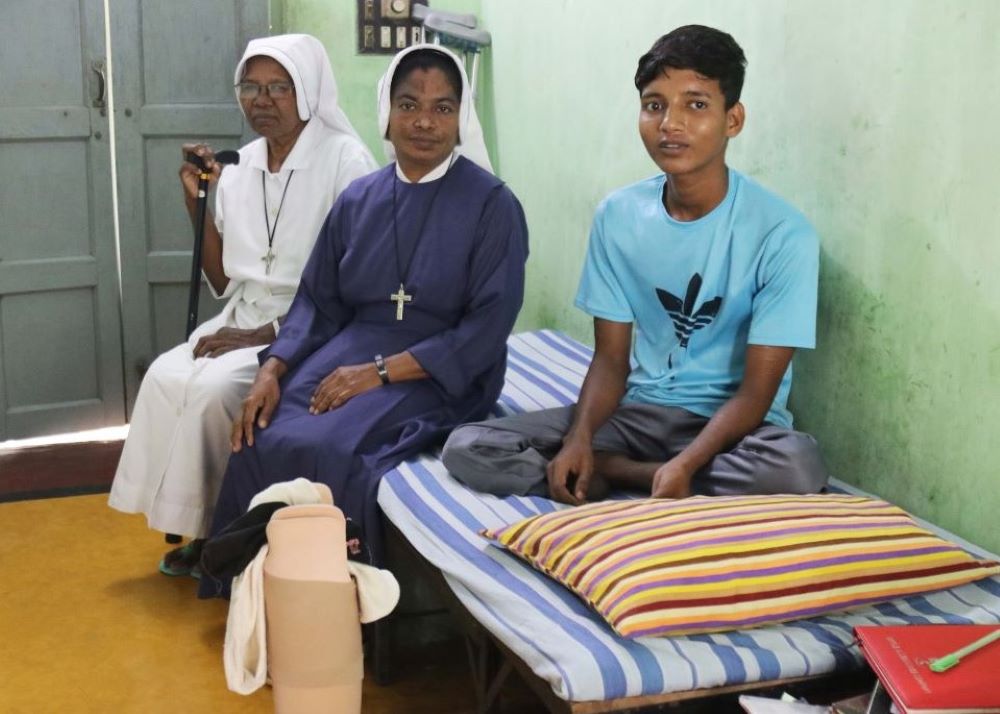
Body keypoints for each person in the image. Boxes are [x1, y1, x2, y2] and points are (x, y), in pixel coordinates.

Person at [442, 25, 829, 504]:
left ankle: (618, 474)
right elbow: (610, 361)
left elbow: (756, 394)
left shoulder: (782, 234)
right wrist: (580, 437)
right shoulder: (618, 216)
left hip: (734, 428)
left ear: (734, 119)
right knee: (470, 446)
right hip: (640, 416)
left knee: (797, 467)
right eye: (654, 104)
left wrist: (687, 462)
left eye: (696, 104)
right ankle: (635, 472)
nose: (670, 122)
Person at [198, 44, 528, 598]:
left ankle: (334, 597)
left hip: (439, 366)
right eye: (408, 104)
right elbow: (318, 303)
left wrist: (378, 372)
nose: (424, 121)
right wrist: (271, 371)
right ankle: (255, 583)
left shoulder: (493, 205)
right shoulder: (359, 199)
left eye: (443, 108)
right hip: (354, 348)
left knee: (333, 445)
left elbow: (488, 327)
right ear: (386, 113)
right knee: (257, 433)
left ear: (460, 118)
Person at [109, 34, 378, 575]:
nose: (262, 99)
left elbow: (354, 285)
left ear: (308, 92)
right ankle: (198, 526)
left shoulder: (346, 161)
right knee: (166, 376)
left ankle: (225, 532)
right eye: (251, 87)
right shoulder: (242, 164)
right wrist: (197, 203)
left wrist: (267, 336)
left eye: (279, 86)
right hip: (244, 314)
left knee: (211, 389)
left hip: (314, 326)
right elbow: (221, 275)